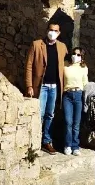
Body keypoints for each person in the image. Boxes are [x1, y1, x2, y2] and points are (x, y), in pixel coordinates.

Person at [25, 21, 67, 154]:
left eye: (55, 31)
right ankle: (34, 141)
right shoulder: (37, 44)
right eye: (51, 30)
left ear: (59, 33)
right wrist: (29, 85)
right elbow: (29, 65)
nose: (52, 32)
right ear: (47, 30)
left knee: (50, 114)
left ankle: (46, 141)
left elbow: (65, 64)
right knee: (40, 114)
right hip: (41, 86)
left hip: (54, 87)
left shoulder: (62, 47)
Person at [62, 47, 88, 156]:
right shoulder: (65, 65)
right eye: (74, 54)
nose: (75, 56)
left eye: (78, 55)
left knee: (76, 123)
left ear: (82, 57)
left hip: (78, 95)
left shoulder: (84, 68)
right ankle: (67, 145)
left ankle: (75, 146)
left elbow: (85, 83)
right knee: (68, 121)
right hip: (67, 95)